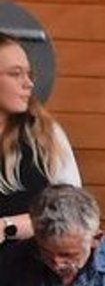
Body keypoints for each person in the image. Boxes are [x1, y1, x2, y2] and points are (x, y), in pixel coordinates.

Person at [0, 33, 80, 245]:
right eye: (15, 74)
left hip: (31, 268)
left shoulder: (46, 133)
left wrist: (7, 226)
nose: (28, 84)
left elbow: (71, 211)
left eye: (29, 74)